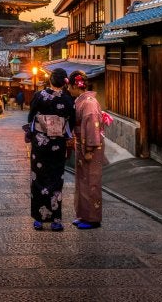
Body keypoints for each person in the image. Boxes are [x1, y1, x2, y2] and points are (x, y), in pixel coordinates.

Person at [26, 68, 75, 231]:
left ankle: (39, 219)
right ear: (64, 82)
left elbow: (31, 117)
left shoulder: (39, 96)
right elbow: (71, 122)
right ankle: (56, 220)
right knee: (55, 179)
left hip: (40, 145)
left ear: (50, 80)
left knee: (38, 178)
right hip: (58, 145)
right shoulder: (68, 99)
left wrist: (32, 134)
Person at [68, 70, 104, 230]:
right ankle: (82, 214)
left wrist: (89, 149)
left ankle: (93, 219)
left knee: (91, 181)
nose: (68, 89)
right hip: (82, 143)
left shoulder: (88, 103)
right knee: (82, 180)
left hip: (90, 146)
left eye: (69, 86)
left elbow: (92, 127)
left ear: (76, 85)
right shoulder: (81, 100)